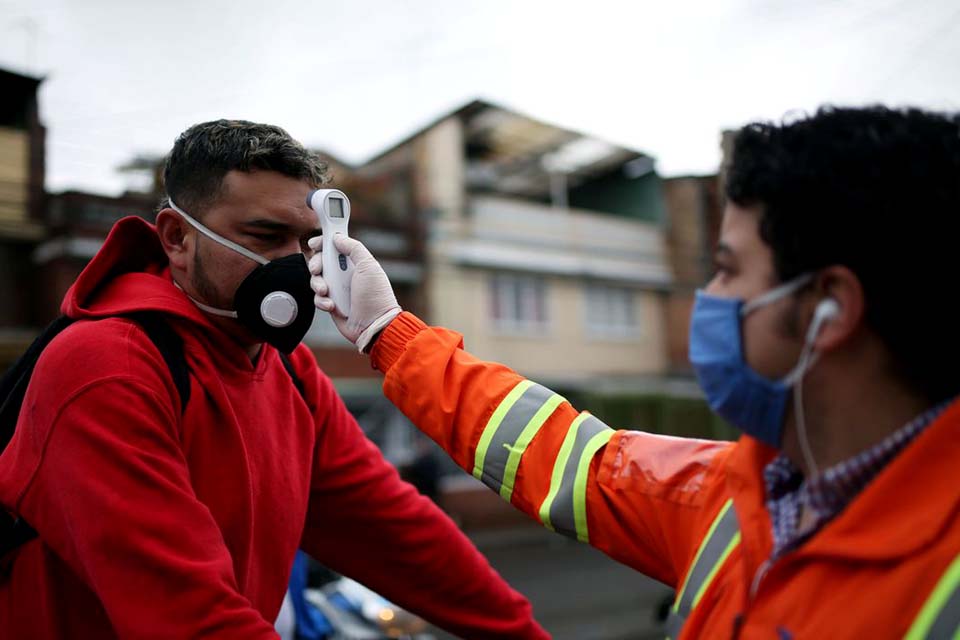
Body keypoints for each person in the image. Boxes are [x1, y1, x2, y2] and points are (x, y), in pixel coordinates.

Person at [310, 106, 960, 638]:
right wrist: (385, 330)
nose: (706, 296)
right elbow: (560, 452)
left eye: (729, 269)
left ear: (829, 308)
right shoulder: (745, 495)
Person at [0, 120, 548, 639]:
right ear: (175, 238)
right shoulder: (106, 368)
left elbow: (390, 528)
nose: (295, 264)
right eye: (266, 235)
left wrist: (521, 632)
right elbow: (190, 618)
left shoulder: (287, 366)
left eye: (307, 242)